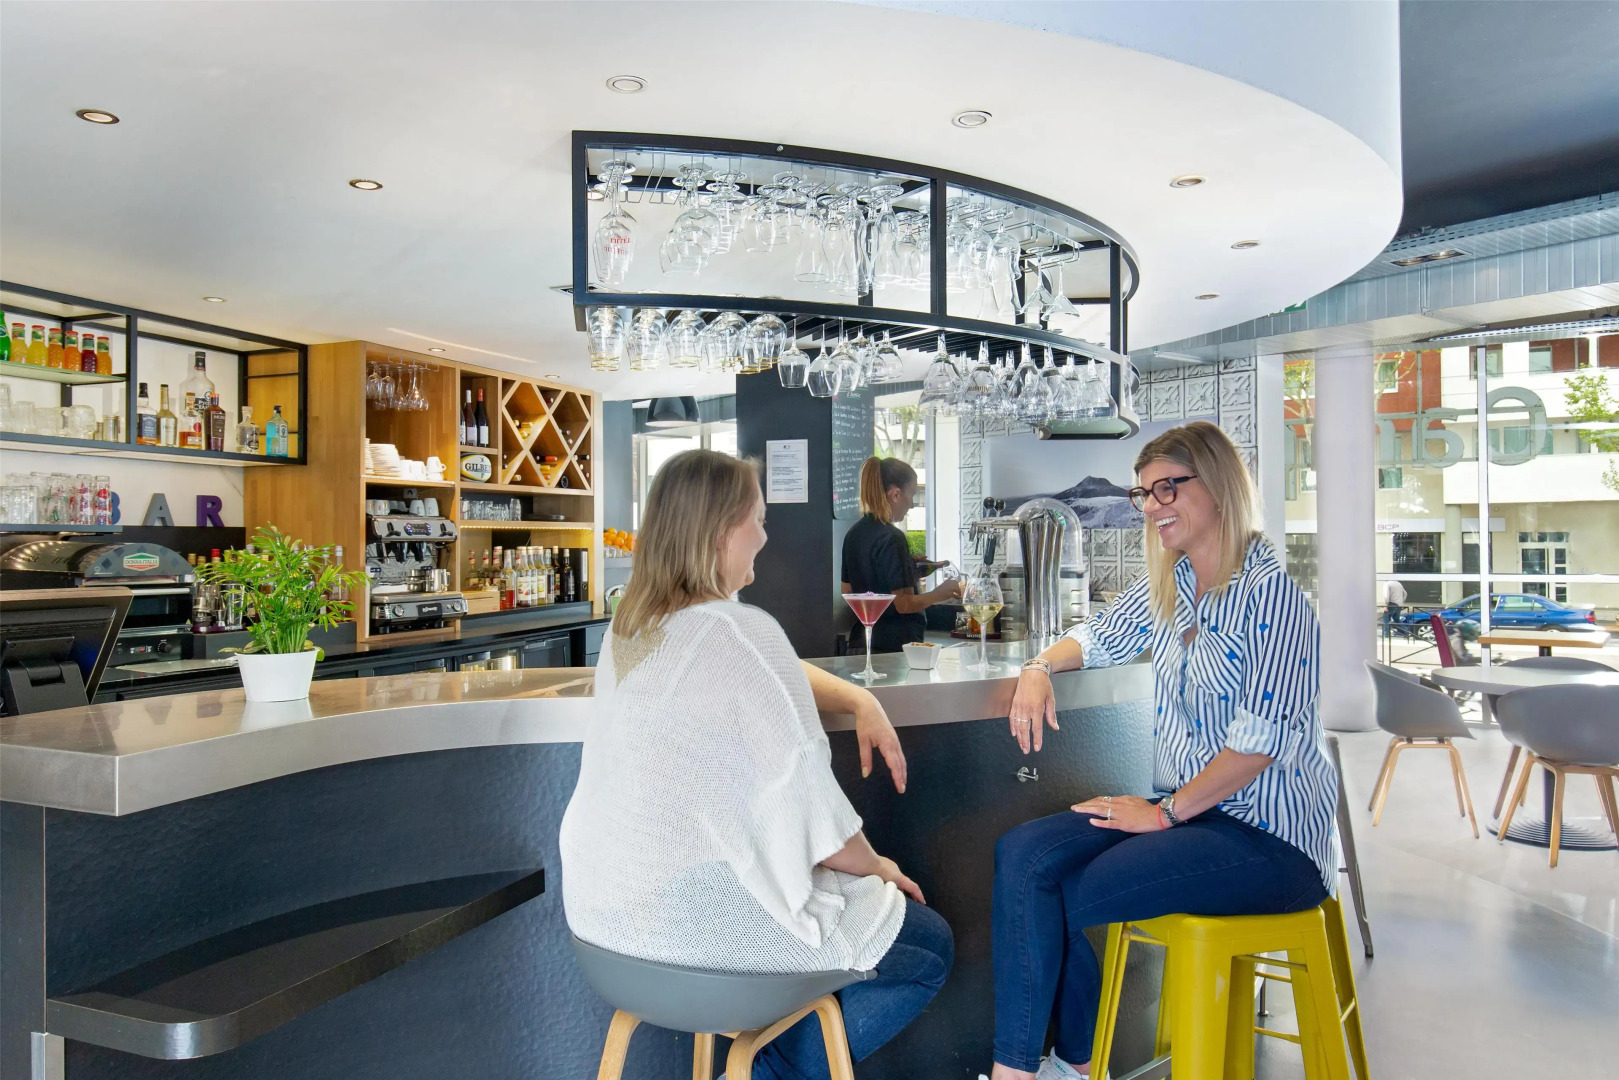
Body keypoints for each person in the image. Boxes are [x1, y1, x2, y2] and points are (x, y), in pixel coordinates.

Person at [561, 449, 952, 1080]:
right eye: (759, 521)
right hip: (685, 934)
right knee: (926, 944)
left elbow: (764, 666)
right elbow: (814, 821)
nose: (766, 537)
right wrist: (881, 868)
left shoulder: (633, 625)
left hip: (602, 923)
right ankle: (763, 1073)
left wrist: (856, 695)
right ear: (722, 532)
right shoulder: (737, 631)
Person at [987, 421, 1339, 1080]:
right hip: (1197, 815)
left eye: (1168, 488)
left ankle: (1052, 1069)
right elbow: (1098, 637)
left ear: (1220, 486)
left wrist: (1164, 814)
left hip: (1271, 840)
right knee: (1023, 853)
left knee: (1058, 892)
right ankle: (1055, 1066)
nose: (1151, 507)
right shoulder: (1171, 590)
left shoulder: (1276, 600)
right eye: (1143, 494)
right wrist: (1037, 666)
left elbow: (1255, 748)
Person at [841, 456, 963, 652]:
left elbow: (848, 590)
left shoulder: (853, 534)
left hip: (860, 644)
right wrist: (939, 593)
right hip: (893, 648)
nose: (912, 505)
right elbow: (903, 604)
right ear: (896, 494)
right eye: (912, 495)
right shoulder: (893, 537)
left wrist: (908, 570)